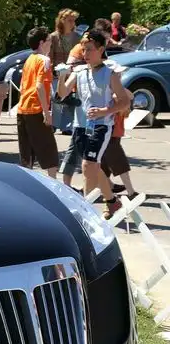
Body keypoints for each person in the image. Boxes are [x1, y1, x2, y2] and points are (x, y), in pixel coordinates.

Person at [56, 28, 130, 219]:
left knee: (88, 166)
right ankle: (112, 202)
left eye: (89, 49)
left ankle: (86, 210)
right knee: (92, 167)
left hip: (101, 126)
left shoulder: (109, 74)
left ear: (101, 50)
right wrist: (62, 76)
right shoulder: (79, 72)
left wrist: (104, 111)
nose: (85, 53)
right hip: (80, 126)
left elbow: (124, 101)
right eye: (83, 49)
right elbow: (62, 94)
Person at [16, 26, 59, 178]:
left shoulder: (29, 59)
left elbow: (22, 85)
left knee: (26, 152)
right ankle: (54, 183)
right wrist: (46, 112)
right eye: (49, 41)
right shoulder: (44, 60)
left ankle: (26, 182)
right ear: (42, 43)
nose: (51, 44)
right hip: (36, 109)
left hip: (23, 108)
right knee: (49, 150)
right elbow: (39, 85)